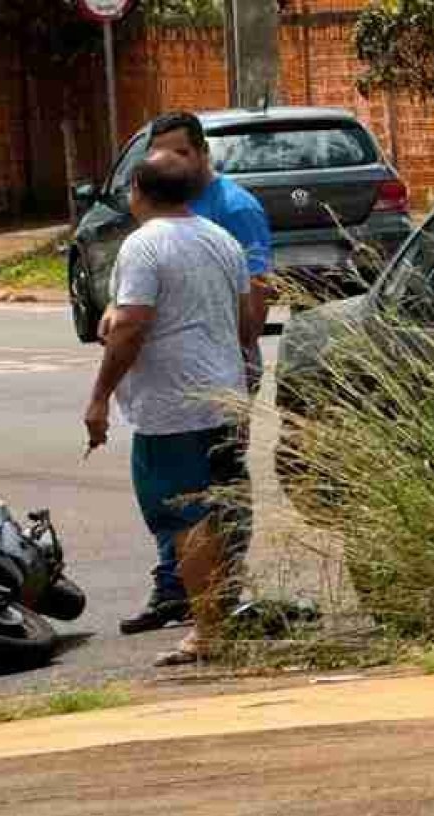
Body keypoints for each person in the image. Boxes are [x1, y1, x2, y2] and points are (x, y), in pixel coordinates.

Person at [84, 149, 256, 665]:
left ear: (138, 191)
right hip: (225, 397)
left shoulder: (144, 245)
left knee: (186, 516)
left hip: (173, 407)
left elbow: (134, 325)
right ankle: (219, 620)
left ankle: (208, 631)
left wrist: (98, 397)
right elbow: (247, 320)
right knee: (218, 511)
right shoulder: (221, 240)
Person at [109, 111, 273, 635]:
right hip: (210, 383)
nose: (170, 163)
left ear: (202, 154)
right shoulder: (183, 228)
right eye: (162, 154)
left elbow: (255, 300)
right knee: (192, 501)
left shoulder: (232, 211)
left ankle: (213, 611)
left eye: (179, 152)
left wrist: (239, 364)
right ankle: (181, 594)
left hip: (202, 387)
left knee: (194, 503)